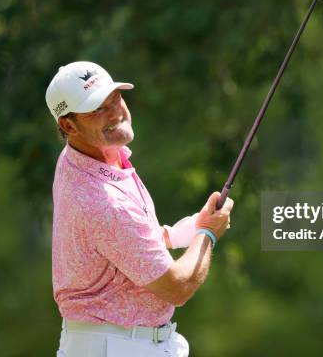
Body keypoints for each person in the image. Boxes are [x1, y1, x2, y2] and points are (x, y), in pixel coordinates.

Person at [45, 61, 234, 357]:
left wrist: (187, 229)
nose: (115, 112)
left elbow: (123, 243)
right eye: (98, 109)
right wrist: (208, 234)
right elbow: (177, 287)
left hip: (115, 344)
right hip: (117, 347)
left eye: (115, 98)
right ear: (68, 126)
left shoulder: (83, 160)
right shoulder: (103, 200)